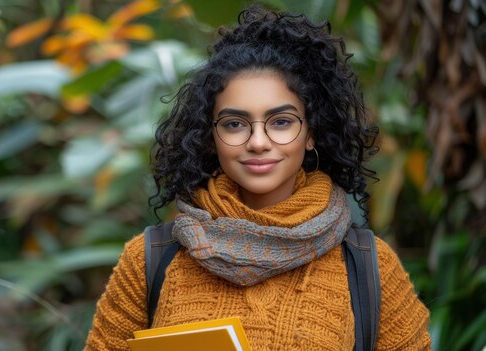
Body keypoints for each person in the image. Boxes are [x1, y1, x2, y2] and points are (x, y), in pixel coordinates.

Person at [84, 5, 431, 350]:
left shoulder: (369, 265)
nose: (258, 142)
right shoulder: (150, 259)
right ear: (211, 135)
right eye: (235, 124)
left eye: (281, 122)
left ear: (311, 133)